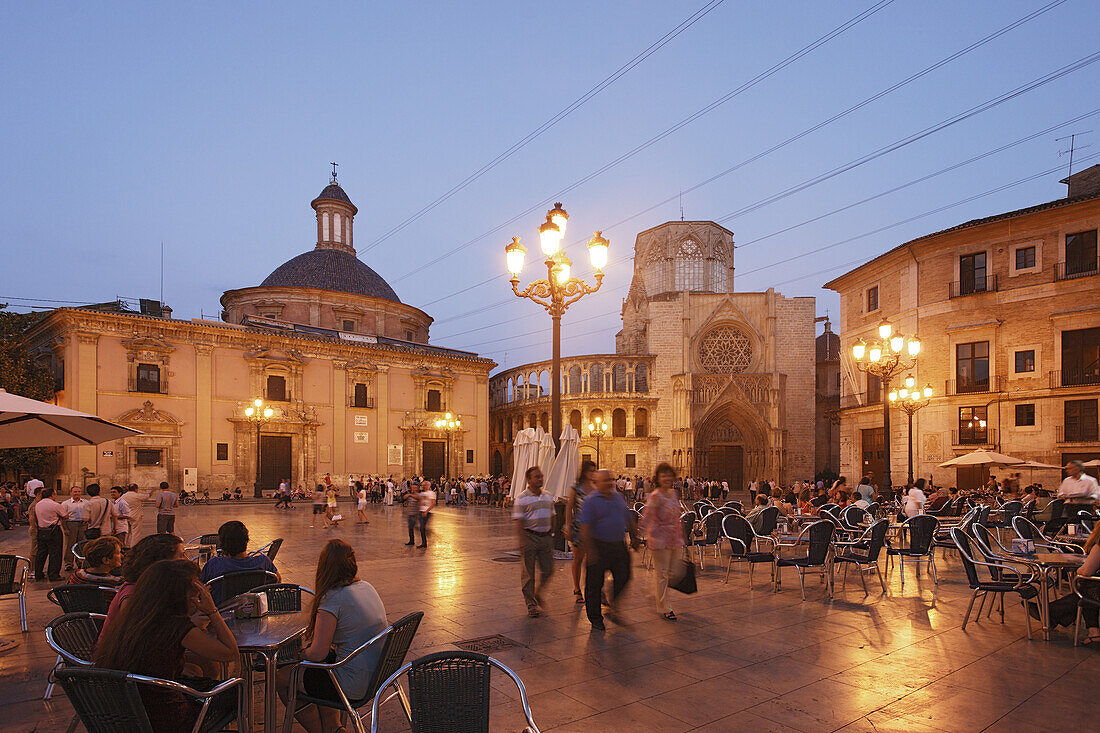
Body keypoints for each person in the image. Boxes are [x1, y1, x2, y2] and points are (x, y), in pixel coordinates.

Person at [94, 559, 239, 733]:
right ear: (181, 595)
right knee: (237, 690)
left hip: (126, 714)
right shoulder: (176, 627)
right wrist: (212, 610)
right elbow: (230, 652)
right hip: (168, 720)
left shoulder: (132, 618)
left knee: (199, 677)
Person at [276, 540, 388, 733]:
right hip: (379, 674)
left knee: (283, 677)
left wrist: (301, 654)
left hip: (353, 682)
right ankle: (333, 728)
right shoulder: (366, 586)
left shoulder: (333, 598)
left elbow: (317, 654)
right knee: (320, 670)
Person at [578, 469, 640, 631]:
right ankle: (595, 619)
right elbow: (584, 526)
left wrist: (634, 536)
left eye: (611, 480)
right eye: (605, 480)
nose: (609, 483)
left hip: (618, 545)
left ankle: (613, 604)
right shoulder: (591, 501)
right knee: (594, 584)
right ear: (596, 483)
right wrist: (590, 550)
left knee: (624, 575)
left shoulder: (618, 498)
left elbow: (628, 517)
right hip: (598, 545)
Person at [106, 533, 186, 625]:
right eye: (181, 555)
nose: (187, 560)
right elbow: (138, 635)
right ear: (161, 562)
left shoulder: (154, 586)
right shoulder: (133, 595)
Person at [639, 462, 685, 621]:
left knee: (675, 572)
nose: (666, 478)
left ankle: (656, 593)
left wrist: (681, 535)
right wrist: (638, 536)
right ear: (658, 478)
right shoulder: (655, 495)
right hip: (659, 538)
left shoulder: (674, 494)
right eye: (663, 475)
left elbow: (677, 516)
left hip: (673, 538)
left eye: (669, 475)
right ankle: (666, 608)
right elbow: (647, 516)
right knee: (663, 574)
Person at [513, 466, 555, 618]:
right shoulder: (522, 498)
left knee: (549, 569)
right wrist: (521, 540)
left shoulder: (548, 496)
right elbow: (518, 520)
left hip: (545, 537)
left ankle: (538, 592)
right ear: (529, 480)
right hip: (529, 537)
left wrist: (552, 533)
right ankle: (531, 605)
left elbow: (552, 515)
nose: (540, 479)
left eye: (541, 476)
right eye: (537, 477)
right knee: (528, 574)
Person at [199, 520, 280, 588]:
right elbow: (277, 580)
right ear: (246, 540)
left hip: (222, 606)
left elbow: (200, 588)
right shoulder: (264, 561)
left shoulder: (214, 564)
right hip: (253, 605)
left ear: (222, 544)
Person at [564, 461, 596, 604]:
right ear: (584, 472)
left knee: (593, 560)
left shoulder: (596, 488)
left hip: (594, 529)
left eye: (594, 471)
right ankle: (577, 589)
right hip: (578, 527)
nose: (593, 473)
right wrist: (568, 526)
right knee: (578, 559)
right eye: (591, 471)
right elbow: (569, 507)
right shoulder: (576, 488)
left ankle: (593, 589)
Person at [33, 487, 68, 581]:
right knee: (55, 553)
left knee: (41, 553)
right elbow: (65, 516)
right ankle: (53, 574)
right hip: (54, 530)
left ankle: (38, 573)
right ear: (52, 495)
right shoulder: (55, 505)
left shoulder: (38, 505)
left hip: (42, 530)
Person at [61, 486, 88, 572]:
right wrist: (65, 528)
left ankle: (80, 562)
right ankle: (68, 563)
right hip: (71, 524)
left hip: (82, 524)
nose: (77, 493)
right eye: (75, 492)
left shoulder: (85, 502)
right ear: (71, 493)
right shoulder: (66, 504)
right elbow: (63, 517)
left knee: (81, 543)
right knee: (70, 543)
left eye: (79, 491)